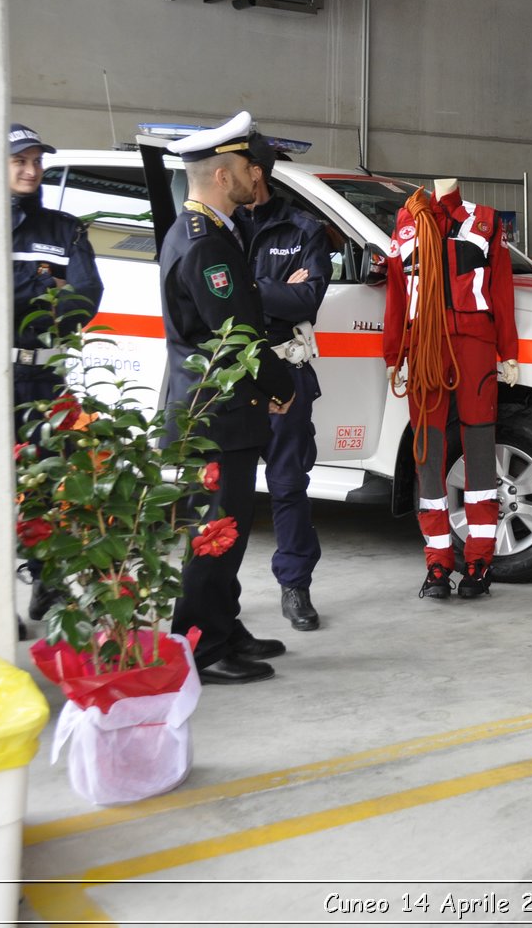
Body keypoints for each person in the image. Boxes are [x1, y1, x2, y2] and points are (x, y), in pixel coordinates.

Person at [160, 111, 296, 684]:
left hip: (222, 410)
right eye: (247, 166)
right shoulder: (203, 243)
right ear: (222, 174)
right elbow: (233, 332)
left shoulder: (214, 231)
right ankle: (200, 648)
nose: (255, 175)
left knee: (229, 527)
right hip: (213, 414)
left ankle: (222, 624)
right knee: (213, 534)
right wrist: (279, 383)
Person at [383, 177, 519, 601]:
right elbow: (396, 293)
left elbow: (501, 289)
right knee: (429, 453)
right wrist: (395, 356)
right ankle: (437, 563)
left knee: (480, 451)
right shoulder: (406, 223)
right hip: (423, 347)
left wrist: (507, 350)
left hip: (475, 344)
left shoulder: (485, 221)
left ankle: (479, 562)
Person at [9, 122, 104, 621]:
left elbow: (85, 298)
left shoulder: (65, 228)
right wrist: (46, 288)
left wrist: (19, 294)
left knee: (46, 488)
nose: (31, 170)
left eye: (36, 161)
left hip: (45, 379)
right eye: (20, 161)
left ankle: (45, 585)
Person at [238, 134, 333, 631]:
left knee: (289, 485)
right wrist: (270, 290)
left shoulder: (303, 229)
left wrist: (246, 290)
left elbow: (307, 302)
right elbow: (206, 296)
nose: (223, 173)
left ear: (256, 170)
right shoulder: (216, 225)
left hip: (285, 371)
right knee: (224, 491)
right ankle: (217, 595)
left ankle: (295, 587)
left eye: (233, 164)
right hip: (231, 376)